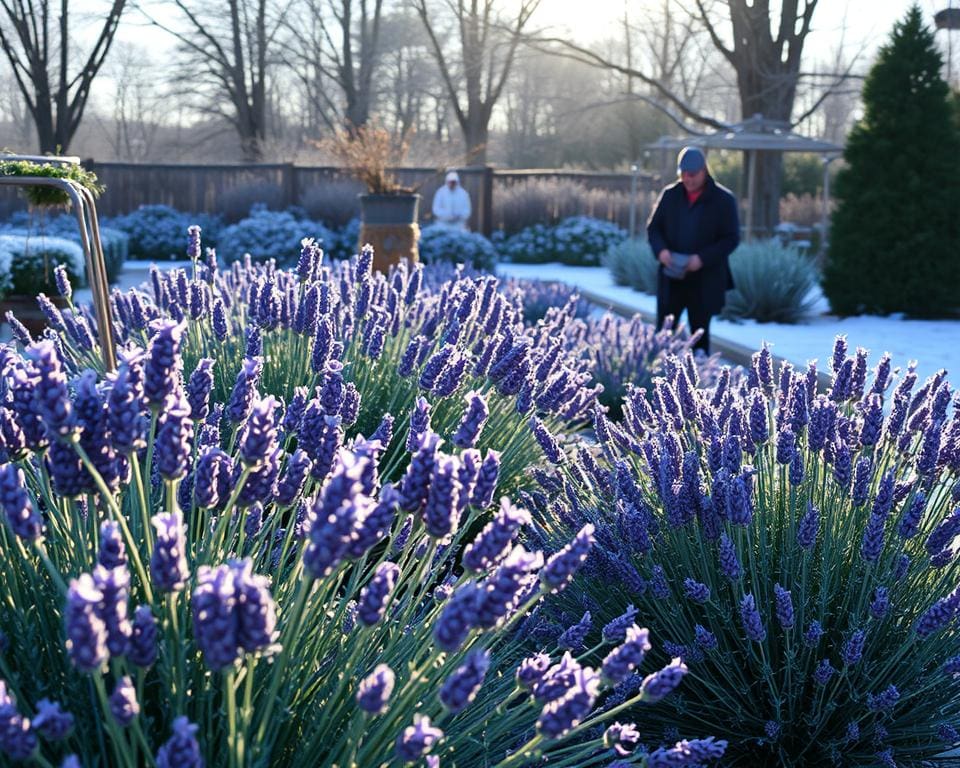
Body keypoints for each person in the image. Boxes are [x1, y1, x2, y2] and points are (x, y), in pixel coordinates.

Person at [647, 146, 740, 355]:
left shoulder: (724, 200)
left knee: (699, 335)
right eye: (684, 175)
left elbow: (731, 239)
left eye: (693, 175)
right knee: (664, 334)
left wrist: (702, 259)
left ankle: (698, 378)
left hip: (704, 280)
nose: (688, 180)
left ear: (704, 170)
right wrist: (661, 251)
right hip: (671, 277)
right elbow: (654, 229)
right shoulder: (670, 195)